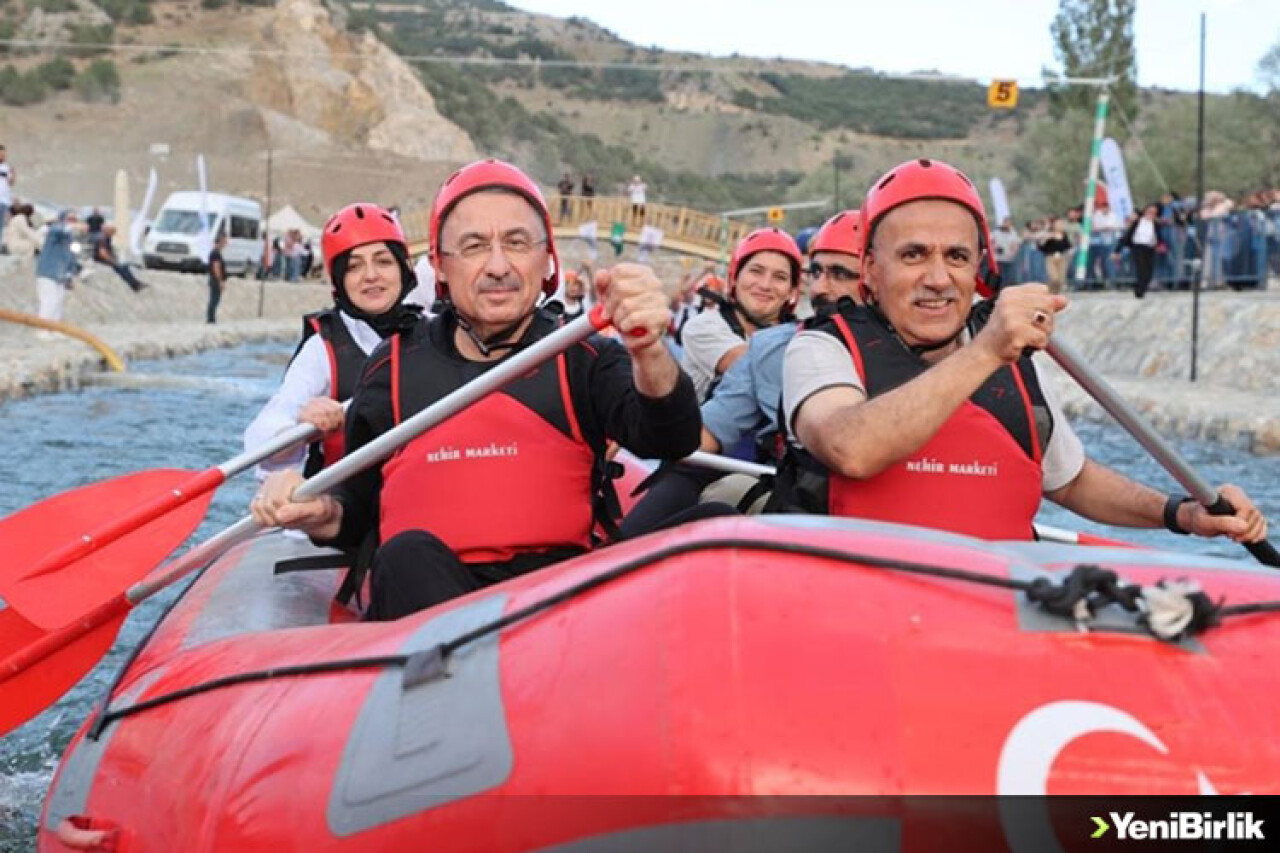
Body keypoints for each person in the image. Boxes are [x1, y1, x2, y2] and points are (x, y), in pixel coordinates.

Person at [251, 159, 703, 620]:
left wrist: (648, 349)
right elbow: (358, 511)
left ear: (547, 259)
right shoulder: (391, 367)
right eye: (474, 246)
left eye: (517, 242)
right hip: (428, 597)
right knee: (406, 555)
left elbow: (671, 439)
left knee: (711, 526)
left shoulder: (581, 354)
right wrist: (319, 511)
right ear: (441, 269)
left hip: (560, 600)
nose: (498, 266)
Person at [778, 157, 1267, 547]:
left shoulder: (1013, 362)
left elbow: (1071, 481)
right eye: (913, 254)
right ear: (870, 270)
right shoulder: (823, 346)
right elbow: (851, 450)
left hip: (994, 612)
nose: (938, 277)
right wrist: (987, 351)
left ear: (978, 271)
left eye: (957, 256)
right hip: (858, 609)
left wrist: (1181, 513)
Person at [620, 210, 864, 534]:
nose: (821, 287)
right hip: (749, 475)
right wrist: (629, 425)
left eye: (839, 273)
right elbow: (704, 433)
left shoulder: (934, 353)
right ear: (735, 278)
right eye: (816, 272)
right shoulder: (754, 343)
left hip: (800, 483)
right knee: (716, 498)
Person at [244, 203, 423, 479]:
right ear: (338, 283)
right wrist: (301, 425)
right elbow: (264, 434)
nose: (371, 275)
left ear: (403, 269)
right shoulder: (321, 350)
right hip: (348, 510)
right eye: (354, 267)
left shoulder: (437, 331)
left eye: (383, 261)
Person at [679, 227, 802, 401]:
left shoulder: (800, 336)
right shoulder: (702, 328)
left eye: (780, 277)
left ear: (791, 291)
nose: (765, 285)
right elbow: (755, 370)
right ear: (735, 278)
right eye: (756, 271)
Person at [33, 210, 79, 336]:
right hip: (48, 272)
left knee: (58, 302)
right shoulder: (54, 233)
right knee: (48, 301)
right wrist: (68, 226)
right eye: (70, 220)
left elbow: (71, 259)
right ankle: (42, 330)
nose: (73, 223)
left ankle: (55, 329)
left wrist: (69, 275)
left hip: (60, 276)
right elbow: (57, 230)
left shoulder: (70, 240)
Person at [1118, 203, 1161, 299]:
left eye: (1154, 213)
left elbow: (1159, 236)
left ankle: (1140, 286)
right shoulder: (1137, 222)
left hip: (1150, 248)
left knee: (1149, 270)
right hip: (1138, 247)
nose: (1151, 214)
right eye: (1150, 212)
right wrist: (1117, 250)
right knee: (1141, 268)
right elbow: (1127, 236)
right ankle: (1139, 291)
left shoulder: (1156, 224)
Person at [91, 224, 149, 293]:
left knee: (125, 265)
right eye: (112, 231)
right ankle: (135, 284)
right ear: (107, 230)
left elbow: (108, 250)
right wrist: (113, 261)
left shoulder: (106, 237)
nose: (113, 233)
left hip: (105, 257)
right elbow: (102, 253)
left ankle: (135, 283)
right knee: (121, 266)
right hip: (101, 259)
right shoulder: (102, 238)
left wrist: (115, 258)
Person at [1036, 218, 1072, 294]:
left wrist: (1069, 255)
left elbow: (1068, 246)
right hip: (1051, 257)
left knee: (1061, 279)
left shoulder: (1064, 235)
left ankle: (1056, 293)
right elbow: (1041, 246)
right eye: (1058, 224)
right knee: (1054, 277)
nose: (1060, 226)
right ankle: (1050, 291)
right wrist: (1047, 238)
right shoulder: (1049, 234)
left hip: (1061, 258)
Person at [206, 232, 227, 324]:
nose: (225, 243)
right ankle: (211, 318)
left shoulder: (216, 253)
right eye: (224, 241)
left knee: (214, 299)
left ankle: (211, 317)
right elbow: (216, 268)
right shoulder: (215, 253)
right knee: (214, 299)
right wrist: (220, 281)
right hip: (215, 279)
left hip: (214, 278)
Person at [0, 145, 16, 242]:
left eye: (4, 154)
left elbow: (11, 182)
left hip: (4, 200)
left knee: (1, 224)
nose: (3, 156)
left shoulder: (7, 167)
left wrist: (13, 175)